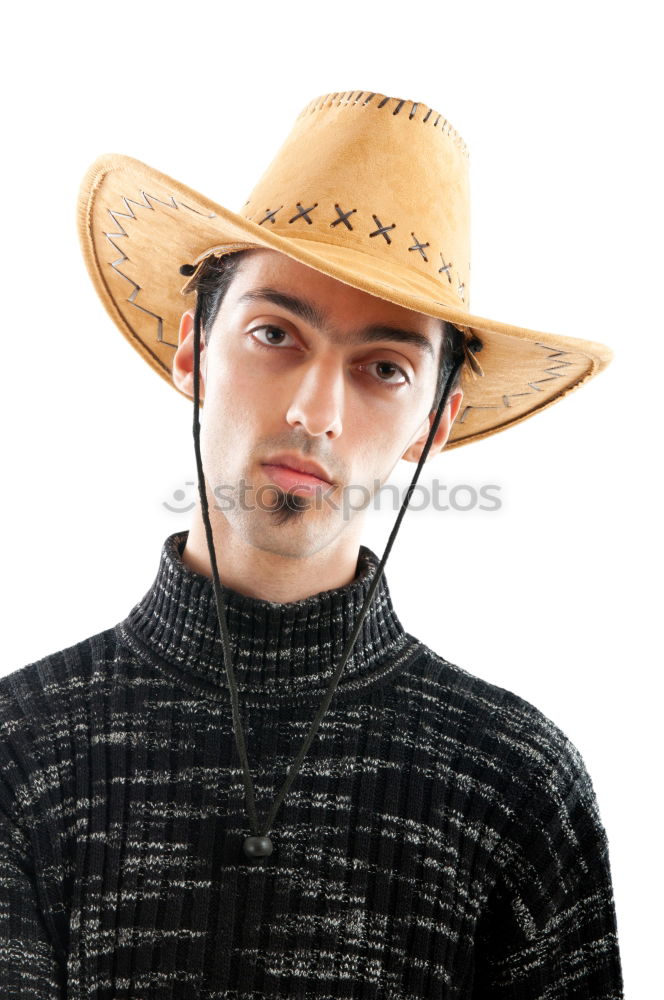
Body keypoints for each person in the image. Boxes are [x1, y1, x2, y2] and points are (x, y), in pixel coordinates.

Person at [0, 89, 624, 997]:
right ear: (193, 349)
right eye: (273, 334)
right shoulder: (20, 753)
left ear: (436, 422)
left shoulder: (517, 785)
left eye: (383, 368)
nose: (314, 412)